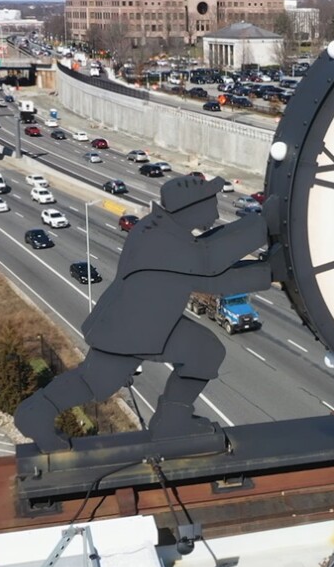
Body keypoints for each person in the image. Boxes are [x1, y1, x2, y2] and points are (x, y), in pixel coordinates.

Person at [14, 175, 273, 453]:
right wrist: (265, 230)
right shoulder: (163, 239)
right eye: (211, 202)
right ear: (193, 207)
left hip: (145, 323)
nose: (215, 210)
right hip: (130, 328)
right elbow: (209, 265)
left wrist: (264, 249)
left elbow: (209, 264)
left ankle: (172, 422)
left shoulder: (164, 229)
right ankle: (35, 413)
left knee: (204, 352)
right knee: (96, 382)